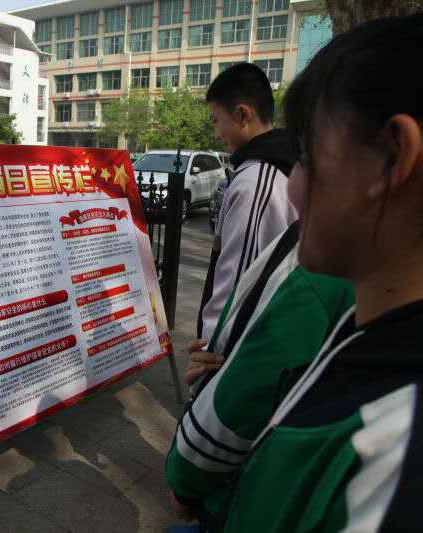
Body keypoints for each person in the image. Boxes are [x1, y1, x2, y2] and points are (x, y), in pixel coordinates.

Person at [214, 14, 423, 532]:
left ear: (394, 156)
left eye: (306, 157)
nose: (294, 188)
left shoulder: (391, 468)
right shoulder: (365, 331)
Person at [165, 220, 353, 529]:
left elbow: (236, 405)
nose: (293, 192)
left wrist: (183, 485)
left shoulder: (317, 260)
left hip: (249, 498)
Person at [198, 63, 297, 342]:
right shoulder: (275, 168)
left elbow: (238, 287)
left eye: (215, 120)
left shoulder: (255, 182)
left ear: (242, 115)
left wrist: (212, 347)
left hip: (236, 348)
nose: (216, 133)